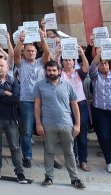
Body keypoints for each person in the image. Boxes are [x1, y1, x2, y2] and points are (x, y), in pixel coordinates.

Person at [33, 60, 85, 189]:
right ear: (46, 71)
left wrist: (77, 124)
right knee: (49, 151)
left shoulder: (68, 85)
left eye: (54, 70)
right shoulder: (39, 85)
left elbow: (75, 105)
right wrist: (38, 124)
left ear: (59, 71)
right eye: (49, 70)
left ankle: (75, 178)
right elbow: (37, 106)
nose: (52, 73)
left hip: (66, 124)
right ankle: (48, 176)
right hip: (48, 124)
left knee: (69, 152)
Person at [14, 30, 50, 168]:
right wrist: (20, 41)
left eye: (33, 51)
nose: (30, 53)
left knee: (47, 131)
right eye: (28, 51)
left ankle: (50, 158)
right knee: (27, 131)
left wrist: (43, 38)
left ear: (36, 52)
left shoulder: (41, 62)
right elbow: (16, 54)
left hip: (43, 101)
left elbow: (47, 53)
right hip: (27, 101)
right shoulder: (21, 63)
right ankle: (27, 156)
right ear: (25, 52)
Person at [57, 46, 91, 171]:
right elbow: (53, 67)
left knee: (82, 134)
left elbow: (87, 68)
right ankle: (73, 159)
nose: (68, 62)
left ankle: (83, 160)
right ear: (62, 62)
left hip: (81, 105)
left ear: (74, 61)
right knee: (69, 135)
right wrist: (57, 54)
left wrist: (82, 53)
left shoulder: (79, 73)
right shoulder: (60, 73)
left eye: (70, 60)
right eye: (65, 60)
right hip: (66, 106)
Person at [90, 50, 111, 174]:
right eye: (102, 64)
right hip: (100, 110)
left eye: (106, 63)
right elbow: (92, 66)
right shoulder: (95, 76)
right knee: (105, 136)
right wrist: (100, 53)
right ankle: (109, 161)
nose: (104, 65)